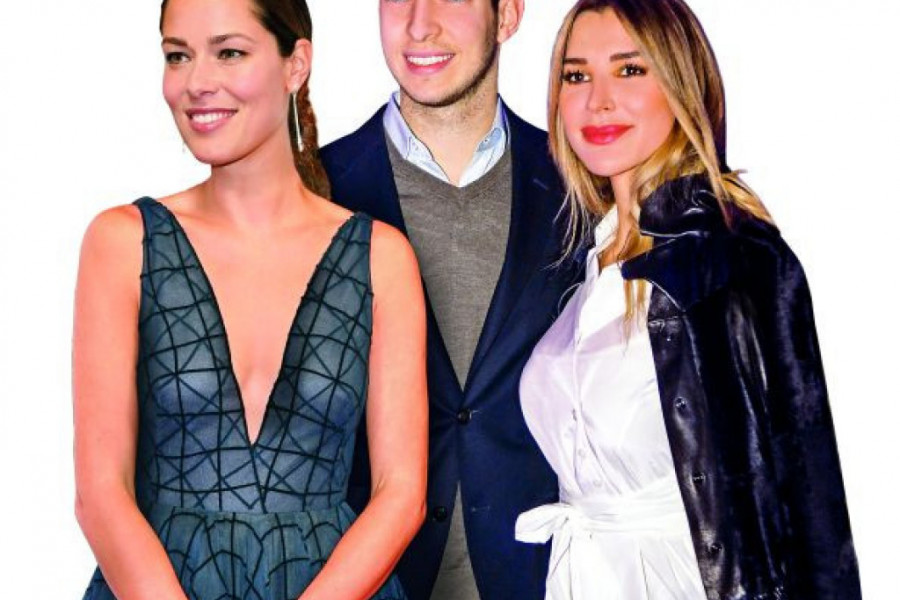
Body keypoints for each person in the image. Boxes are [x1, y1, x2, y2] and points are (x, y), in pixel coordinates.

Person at [73, 0, 427, 598]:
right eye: (177, 56)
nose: (196, 83)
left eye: (229, 52)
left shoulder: (381, 258)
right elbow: (100, 493)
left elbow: (401, 493)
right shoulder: (122, 243)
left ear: (296, 64)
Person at [514, 1, 861, 599]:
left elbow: (811, 498)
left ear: (681, 84)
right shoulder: (584, 268)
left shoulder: (733, 260)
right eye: (576, 76)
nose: (598, 100)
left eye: (629, 70)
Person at [320, 1, 579, 598]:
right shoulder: (315, 189)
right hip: (365, 582)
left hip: (542, 578)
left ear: (506, 15)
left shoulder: (581, 184)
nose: (419, 24)